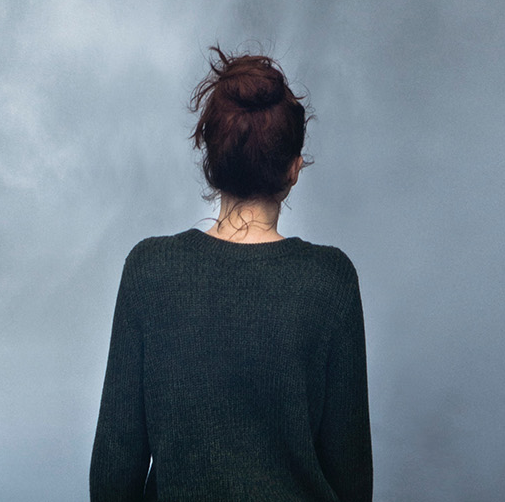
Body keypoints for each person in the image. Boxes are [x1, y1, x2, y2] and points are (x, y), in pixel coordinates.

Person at [89, 47, 373, 502]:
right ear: (294, 169)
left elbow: (113, 474)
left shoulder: (149, 271)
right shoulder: (330, 281)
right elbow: (352, 478)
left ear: (210, 159)